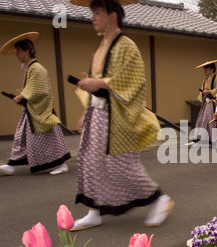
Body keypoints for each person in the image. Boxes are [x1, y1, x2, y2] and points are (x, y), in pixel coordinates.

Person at [70, 0, 174, 231]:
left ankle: (159, 198)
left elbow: (134, 80)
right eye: (93, 13)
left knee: (121, 165)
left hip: (117, 117)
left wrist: (97, 82)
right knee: (90, 160)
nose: (93, 17)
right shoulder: (100, 48)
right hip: (97, 114)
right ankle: (94, 210)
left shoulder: (126, 45)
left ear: (112, 15)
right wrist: (86, 111)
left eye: (97, 13)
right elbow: (97, 86)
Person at [0, 32, 71, 176]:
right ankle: (11, 164)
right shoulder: (32, 68)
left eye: (18, 52)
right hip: (33, 111)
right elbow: (33, 88)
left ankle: (61, 164)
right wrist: (23, 97)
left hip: (42, 112)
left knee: (47, 140)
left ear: (27, 52)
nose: (17, 55)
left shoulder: (37, 68)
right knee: (22, 138)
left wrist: (22, 96)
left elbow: (39, 89)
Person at [186, 59, 217, 146]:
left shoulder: (216, 78)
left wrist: (209, 92)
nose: (205, 70)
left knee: (210, 121)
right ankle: (198, 140)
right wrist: (203, 93)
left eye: (207, 68)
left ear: (212, 69)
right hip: (206, 102)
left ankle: (213, 141)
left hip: (212, 103)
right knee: (200, 120)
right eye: (204, 68)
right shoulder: (205, 80)